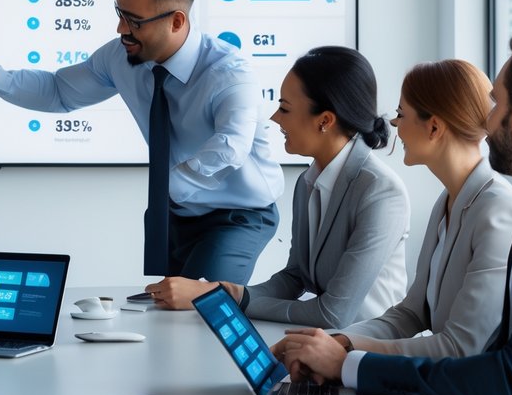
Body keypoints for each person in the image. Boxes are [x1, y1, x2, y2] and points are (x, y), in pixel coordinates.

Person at [277, 25, 512, 395]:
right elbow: (415, 314)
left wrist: (347, 363)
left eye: (496, 103)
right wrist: (340, 347)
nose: (486, 121)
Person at [0, 0, 283, 283]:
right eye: (119, 14)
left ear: (177, 21)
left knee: (201, 307)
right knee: (165, 313)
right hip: (174, 213)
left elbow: (231, 148)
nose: (121, 30)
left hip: (235, 214)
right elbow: (59, 90)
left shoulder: (228, 73)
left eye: (134, 21)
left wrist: (168, 186)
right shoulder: (120, 57)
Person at [145, 46, 410, 328]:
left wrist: (222, 298)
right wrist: (219, 292)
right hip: (325, 342)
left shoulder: (381, 192)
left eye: (285, 108)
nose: (275, 118)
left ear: (325, 121)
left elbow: (333, 313)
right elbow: (295, 277)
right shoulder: (307, 182)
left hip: (368, 345)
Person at [331, 60, 512, 356]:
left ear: (434, 127)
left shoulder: (499, 211)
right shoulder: (447, 200)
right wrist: (336, 339)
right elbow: (411, 313)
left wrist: (345, 352)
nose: (394, 124)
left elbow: (460, 348)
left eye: (401, 114)